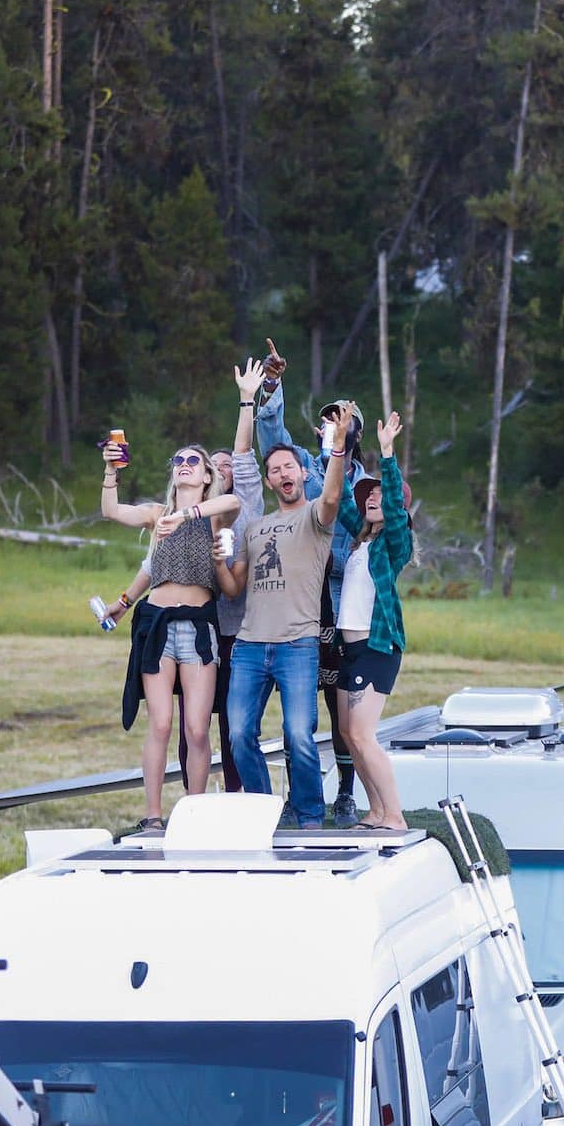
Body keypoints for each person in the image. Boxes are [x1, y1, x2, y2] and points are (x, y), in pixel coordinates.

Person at [223, 356, 351, 828]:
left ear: (302, 473)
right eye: (273, 468)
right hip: (251, 647)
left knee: (299, 734)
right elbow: (235, 585)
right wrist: (219, 557)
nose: (281, 473)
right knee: (238, 735)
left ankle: (311, 817)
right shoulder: (255, 526)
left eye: (288, 466)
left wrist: (335, 448)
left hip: (298, 643)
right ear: (271, 479)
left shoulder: (317, 517)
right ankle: (267, 814)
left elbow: (336, 496)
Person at [98, 439, 243, 829]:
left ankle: (193, 813)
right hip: (157, 624)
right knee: (160, 724)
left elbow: (232, 504)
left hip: (198, 625)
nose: (183, 464)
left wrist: (189, 514)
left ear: (207, 474)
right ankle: (153, 815)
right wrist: (111, 471)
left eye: (192, 460)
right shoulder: (158, 515)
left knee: (196, 728)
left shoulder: (213, 514)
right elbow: (112, 511)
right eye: (177, 460)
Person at [253, 346, 368, 826]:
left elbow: (350, 550)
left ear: (353, 433)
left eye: (339, 422)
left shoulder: (363, 483)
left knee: (342, 707)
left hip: (338, 605)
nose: (329, 428)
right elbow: (271, 441)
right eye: (326, 422)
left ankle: (344, 791)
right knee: (299, 709)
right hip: (296, 604)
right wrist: (272, 387)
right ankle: (303, 795)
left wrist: (330, 485)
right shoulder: (301, 463)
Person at [334, 409, 412, 830]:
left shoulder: (394, 546)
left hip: (376, 647)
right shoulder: (360, 540)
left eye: (380, 494)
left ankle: (394, 815)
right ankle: (376, 810)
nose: (373, 498)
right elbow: (345, 498)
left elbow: (396, 512)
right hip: (350, 649)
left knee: (363, 734)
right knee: (349, 736)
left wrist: (386, 455)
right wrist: (341, 444)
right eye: (371, 495)